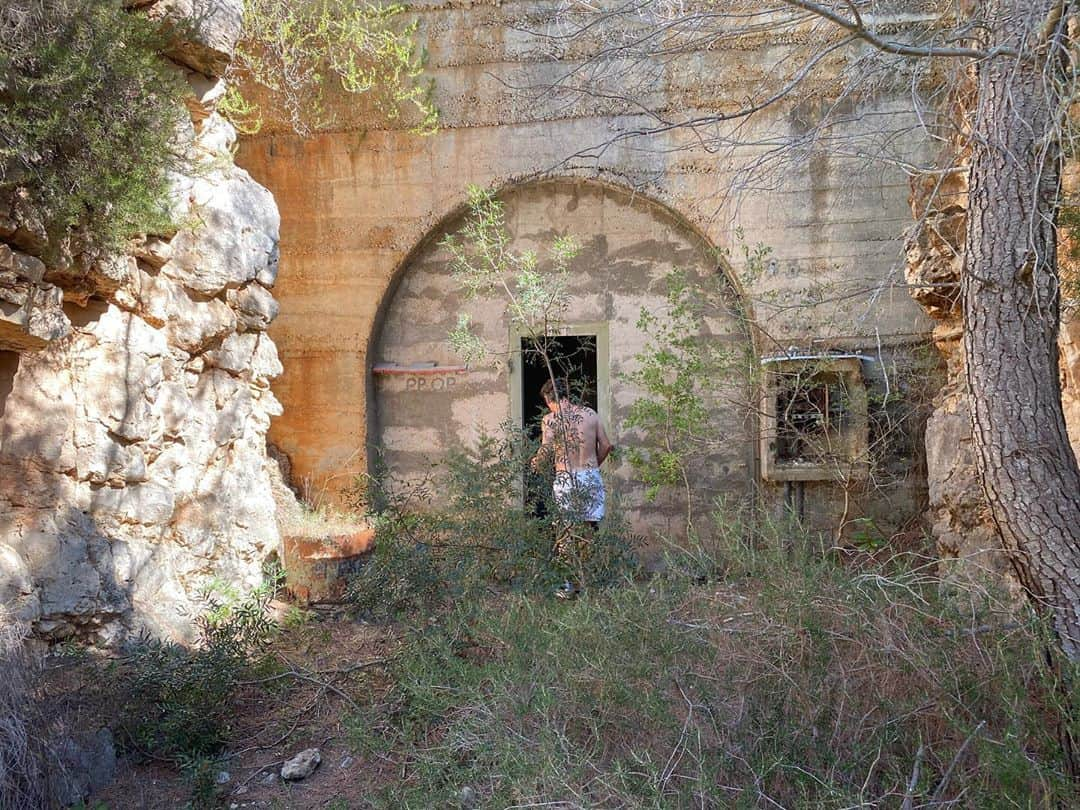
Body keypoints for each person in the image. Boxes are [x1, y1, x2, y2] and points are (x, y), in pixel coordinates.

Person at [530, 377, 614, 595]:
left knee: (567, 530)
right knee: (587, 529)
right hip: (591, 475)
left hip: (566, 477)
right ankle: (586, 581)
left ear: (550, 399)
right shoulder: (590, 414)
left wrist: (535, 464)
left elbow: (546, 450)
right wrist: (594, 464)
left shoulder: (551, 419)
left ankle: (568, 583)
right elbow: (606, 445)